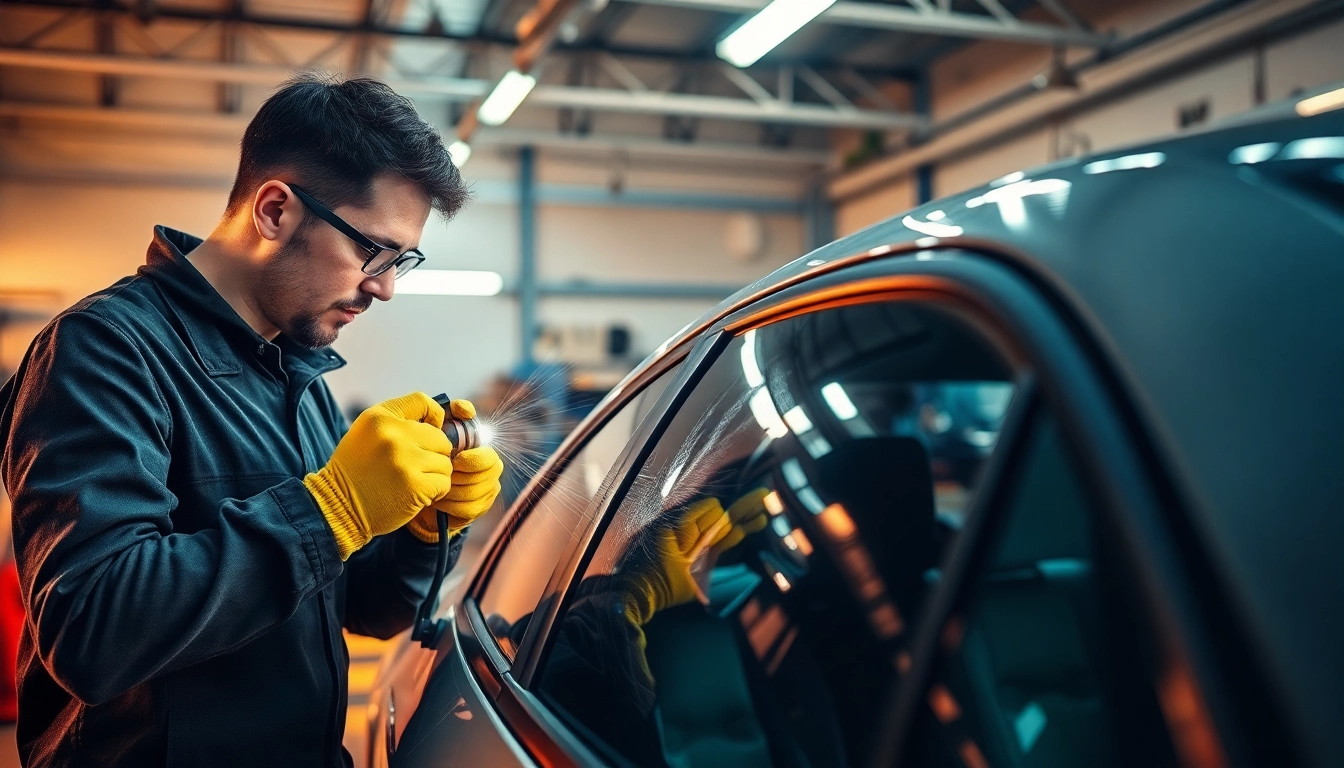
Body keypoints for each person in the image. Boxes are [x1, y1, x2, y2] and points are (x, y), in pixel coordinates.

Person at [0, 73, 503, 767]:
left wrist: (421, 531)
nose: (385, 287)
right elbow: (92, 629)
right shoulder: (105, 350)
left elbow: (363, 608)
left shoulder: (298, 375)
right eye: (373, 252)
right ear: (274, 211)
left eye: (402, 262)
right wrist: (332, 510)